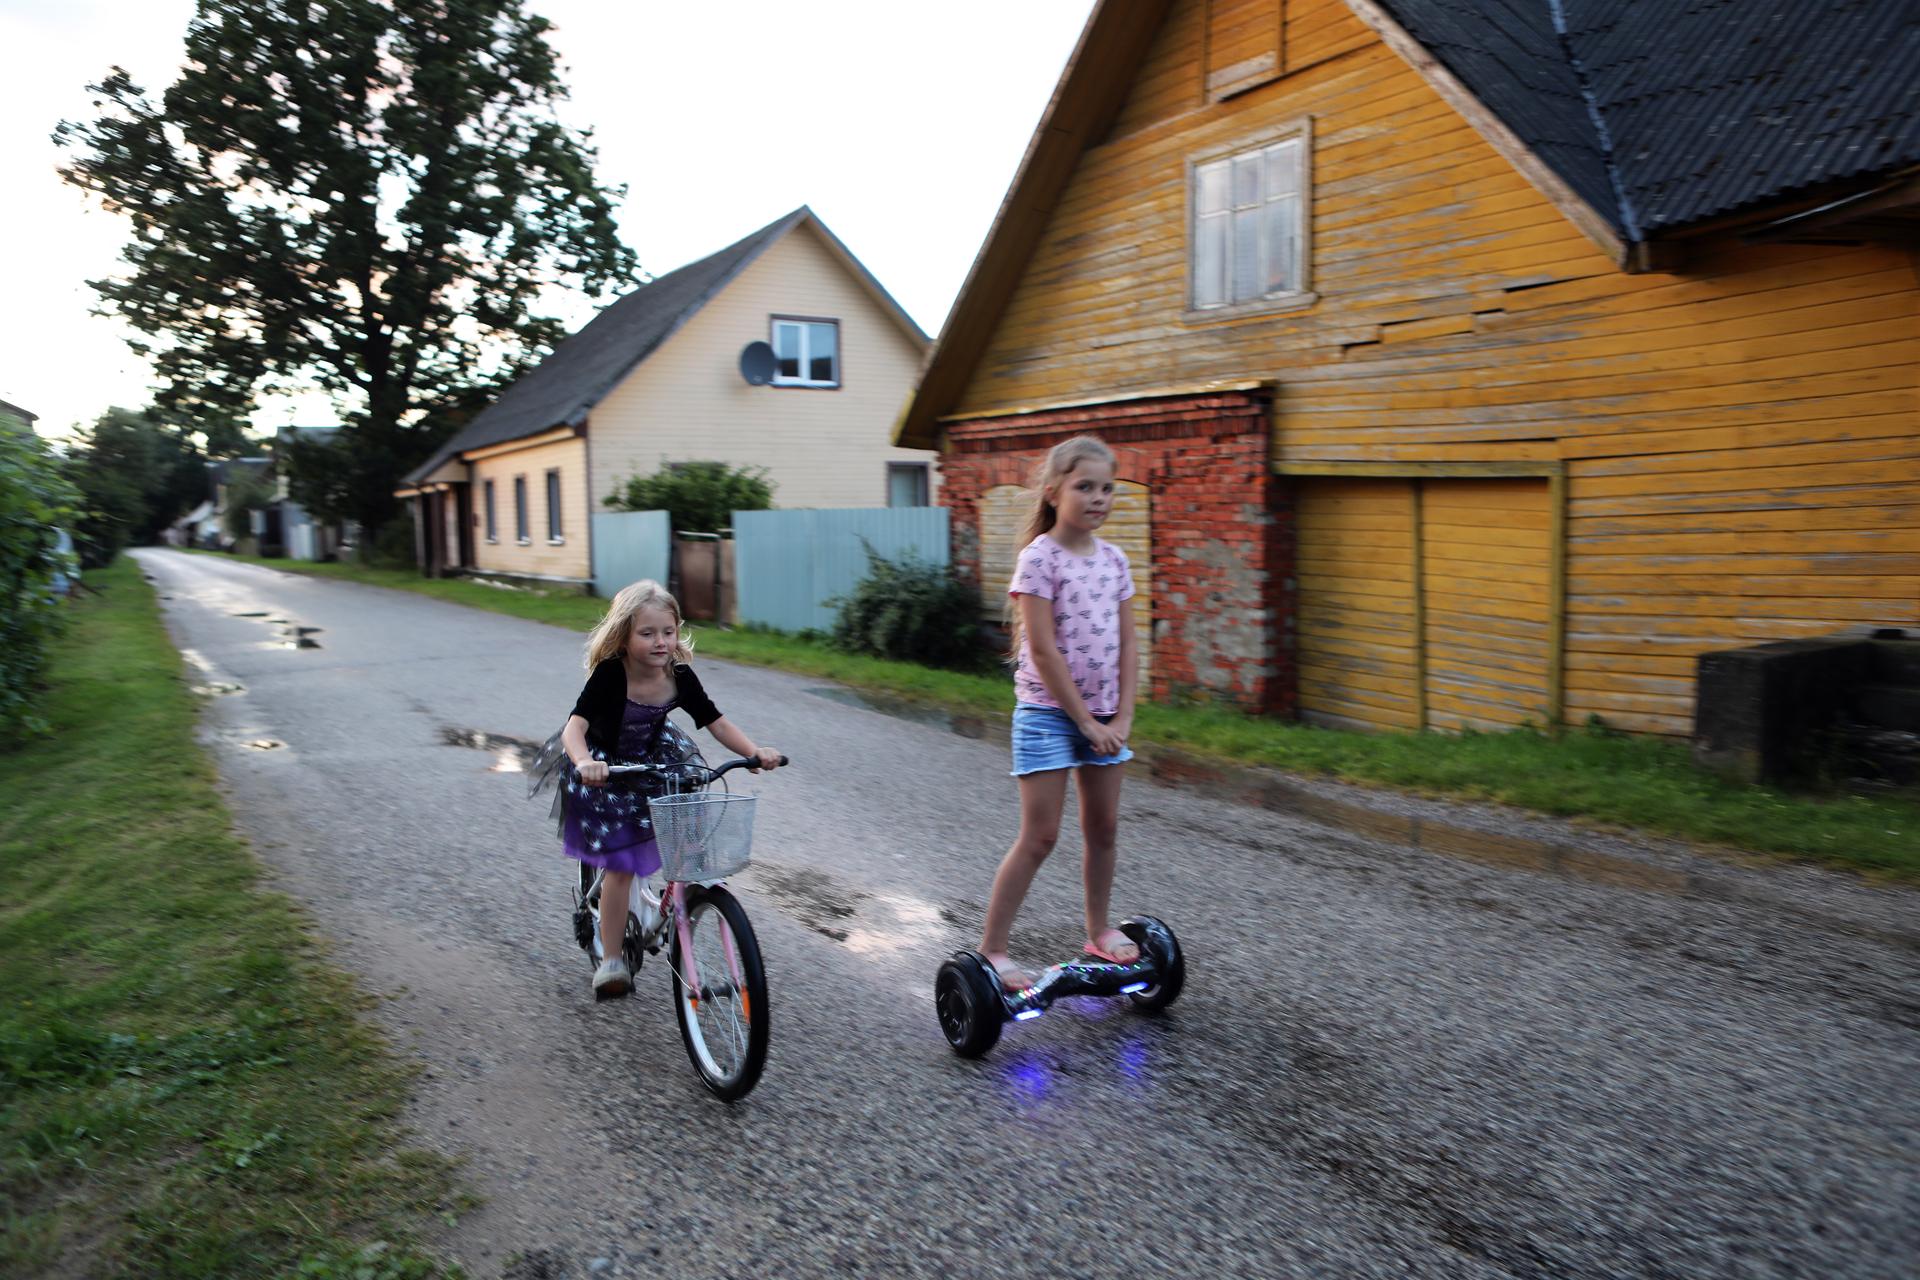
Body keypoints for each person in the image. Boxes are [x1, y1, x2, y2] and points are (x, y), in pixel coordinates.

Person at [533, 580, 781, 998]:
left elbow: (716, 722)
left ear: (677, 630)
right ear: (624, 637)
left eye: (667, 631)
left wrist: (754, 752)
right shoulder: (612, 674)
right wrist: (585, 763)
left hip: (654, 754)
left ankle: (675, 902)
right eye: (646, 633)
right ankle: (612, 959)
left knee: (687, 819)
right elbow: (575, 730)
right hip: (607, 764)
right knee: (623, 863)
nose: (660, 642)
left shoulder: (679, 675)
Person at [980, 435, 1142, 990]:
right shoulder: (1039, 558)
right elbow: (1044, 651)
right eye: (1085, 486)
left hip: (1105, 718)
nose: (1098, 498)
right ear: (1053, 492)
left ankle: (1099, 930)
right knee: (1040, 836)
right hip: (1050, 715)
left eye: (1107, 488)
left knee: (1104, 828)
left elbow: (1128, 646)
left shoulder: (1116, 560)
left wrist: (1121, 719)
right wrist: (1085, 723)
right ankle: (994, 950)